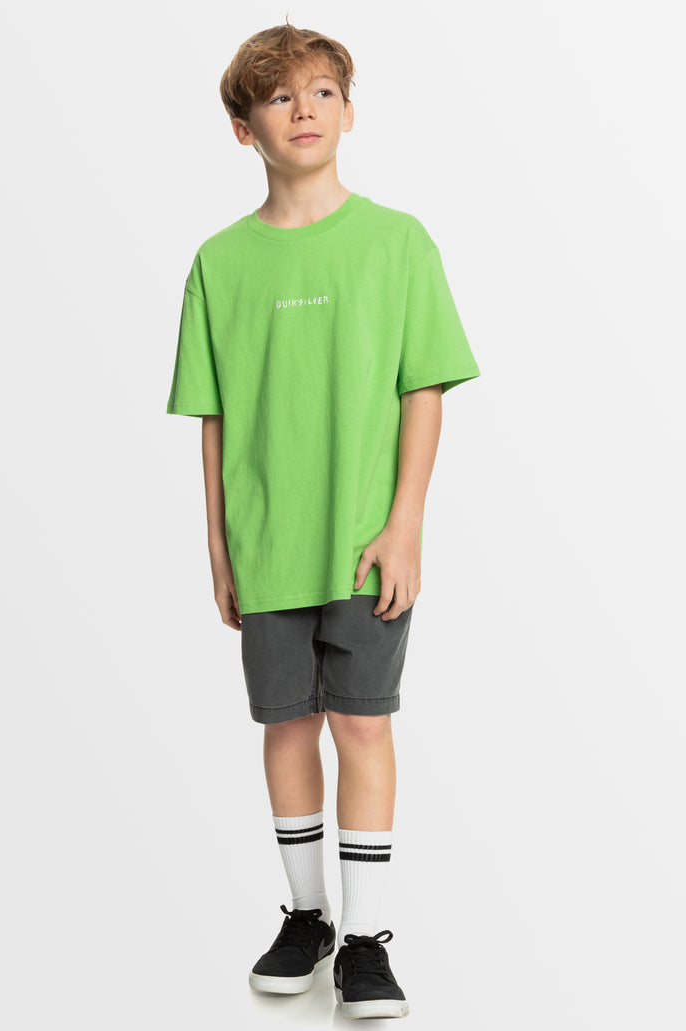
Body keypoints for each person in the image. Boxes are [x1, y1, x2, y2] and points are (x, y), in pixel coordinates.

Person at [166, 20, 480, 1020]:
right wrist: (219, 545)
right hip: (267, 544)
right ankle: (306, 913)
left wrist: (405, 524)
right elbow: (215, 417)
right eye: (278, 96)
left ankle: (366, 936)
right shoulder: (220, 262)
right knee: (287, 723)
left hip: (363, 542)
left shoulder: (397, 242)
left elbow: (424, 387)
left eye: (321, 92)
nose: (302, 109)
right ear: (242, 127)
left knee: (362, 720)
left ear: (348, 112)